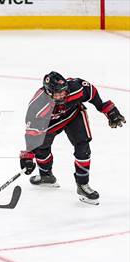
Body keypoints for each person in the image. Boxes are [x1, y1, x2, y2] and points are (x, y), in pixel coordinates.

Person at [20, 71, 126, 204]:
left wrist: (108, 110)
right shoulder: (38, 106)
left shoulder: (76, 87)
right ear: (48, 92)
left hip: (73, 116)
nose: (62, 95)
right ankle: (46, 176)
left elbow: (92, 93)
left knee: (83, 148)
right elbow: (32, 134)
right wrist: (28, 156)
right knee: (41, 148)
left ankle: (82, 185)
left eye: (63, 91)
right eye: (57, 93)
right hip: (50, 124)